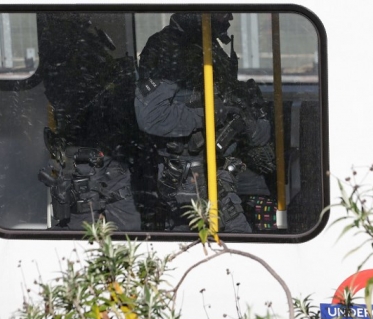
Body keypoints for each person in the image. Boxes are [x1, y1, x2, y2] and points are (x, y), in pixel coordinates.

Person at [134, 12, 276, 233]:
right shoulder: (168, 48)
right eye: (221, 10)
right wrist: (211, 114)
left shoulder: (206, 43)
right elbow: (153, 117)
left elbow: (222, 92)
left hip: (220, 164)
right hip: (194, 174)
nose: (229, 16)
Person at [37, 13, 143, 231]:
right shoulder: (71, 58)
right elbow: (72, 100)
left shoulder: (81, 52)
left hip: (101, 150)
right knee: (85, 222)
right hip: (87, 154)